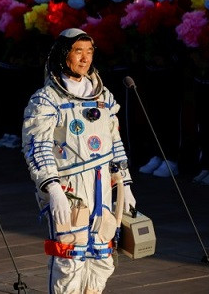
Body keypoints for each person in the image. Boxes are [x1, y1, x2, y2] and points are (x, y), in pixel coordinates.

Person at [22, 28, 136, 293]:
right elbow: (36, 147)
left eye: (89, 52)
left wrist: (125, 183)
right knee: (69, 257)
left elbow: (113, 141)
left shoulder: (102, 96)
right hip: (70, 187)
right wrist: (53, 189)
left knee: (102, 256)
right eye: (78, 51)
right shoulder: (47, 99)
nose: (85, 59)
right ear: (64, 55)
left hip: (102, 186)